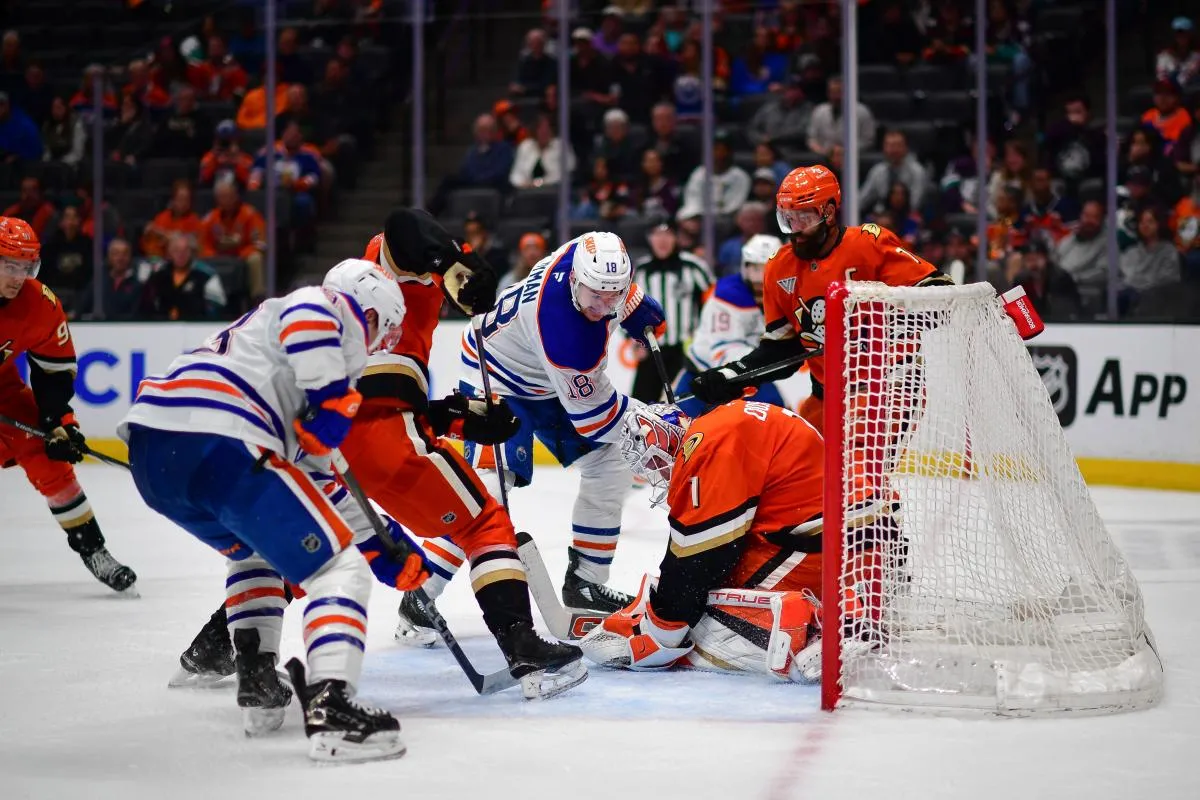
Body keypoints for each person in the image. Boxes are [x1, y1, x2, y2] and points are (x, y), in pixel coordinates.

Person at [171, 210, 589, 701]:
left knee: (317, 546)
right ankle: (522, 647)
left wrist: (460, 418)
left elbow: (386, 393)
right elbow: (403, 226)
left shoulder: (348, 314)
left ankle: (217, 644)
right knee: (482, 524)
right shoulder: (387, 274)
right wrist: (452, 259)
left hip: (329, 443)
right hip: (377, 437)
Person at [121, 258, 419, 762]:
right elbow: (312, 312)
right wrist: (331, 399)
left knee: (256, 553)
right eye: (384, 331)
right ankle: (335, 712)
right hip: (222, 436)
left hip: (153, 454)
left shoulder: (267, 355)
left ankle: (256, 681)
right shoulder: (322, 307)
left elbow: (326, 482)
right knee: (339, 570)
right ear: (370, 312)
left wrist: (383, 543)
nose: (379, 346)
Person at [450, 231, 666, 616]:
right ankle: (420, 596)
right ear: (574, 281)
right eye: (593, 295)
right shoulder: (567, 335)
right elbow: (595, 419)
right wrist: (652, 424)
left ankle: (586, 582)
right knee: (486, 495)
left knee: (609, 463)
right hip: (496, 375)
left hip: (542, 376)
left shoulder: (589, 250)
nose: (601, 306)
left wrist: (631, 302)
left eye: (611, 294)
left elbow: (612, 286)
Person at [578, 399, 826, 681]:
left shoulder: (706, 443)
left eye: (654, 459)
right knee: (700, 591)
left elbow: (698, 560)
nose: (657, 470)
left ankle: (816, 631)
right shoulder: (721, 421)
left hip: (822, 551)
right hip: (832, 537)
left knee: (701, 626)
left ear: (667, 435)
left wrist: (660, 626)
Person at [689, 165, 951, 430]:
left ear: (828, 212)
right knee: (795, 467)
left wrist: (888, 325)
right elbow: (782, 350)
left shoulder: (868, 244)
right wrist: (733, 374)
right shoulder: (779, 268)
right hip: (827, 398)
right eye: (787, 219)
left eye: (803, 219)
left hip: (886, 392)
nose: (795, 231)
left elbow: (940, 290)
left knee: (856, 471)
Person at [0, 217, 137, 593]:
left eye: (26, 267)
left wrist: (57, 421)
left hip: (3, 390)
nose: (19, 276)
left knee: (50, 457)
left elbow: (52, 373)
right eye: (10, 265)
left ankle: (94, 549)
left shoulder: (38, 305)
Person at [674, 234, 787, 419]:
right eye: (755, 269)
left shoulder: (782, 294)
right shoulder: (727, 295)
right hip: (705, 378)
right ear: (745, 267)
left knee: (780, 421)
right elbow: (722, 350)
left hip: (749, 374)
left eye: (767, 269)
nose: (760, 278)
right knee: (680, 431)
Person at [631, 217, 713, 403]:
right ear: (649, 238)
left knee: (689, 404)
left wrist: (705, 340)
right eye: (656, 234)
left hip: (686, 351)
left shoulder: (694, 267)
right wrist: (635, 341)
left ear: (676, 237)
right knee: (642, 408)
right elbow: (623, 310)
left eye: (667, 234)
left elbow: (713, 306)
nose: (662, 240)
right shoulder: (641, 271)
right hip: (652, 349)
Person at [197, 179, 266, 300]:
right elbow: (202, 243)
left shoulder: (250, 214)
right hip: (219, 256)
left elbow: (260, 243)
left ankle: (257, 298)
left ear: (236, 196)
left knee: (255, 258)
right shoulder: (211, 218)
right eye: (222, 197)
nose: (226, 200)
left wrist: (241, 254)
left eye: (229, 196)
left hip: (243, 255)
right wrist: (213, 254)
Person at [138, 233, 226, 321]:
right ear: (169, 253)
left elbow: (216, 308)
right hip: (160, 328)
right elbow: (145, 306)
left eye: (185, 250)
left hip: (197, 327)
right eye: (176, 250)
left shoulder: (207, 275)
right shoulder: (158, 275)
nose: (181, 254)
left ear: (192, 252)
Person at [859, 128, 929, 213]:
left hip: (907, 218)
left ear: (905, 148)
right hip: (881, 218)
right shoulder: (877, 171)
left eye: (898, 145)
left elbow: (915, 204)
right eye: (890, 146)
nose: (894, 150)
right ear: (884, 148)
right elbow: (861, 200)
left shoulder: (917, 172)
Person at [74, 237, 143, 321]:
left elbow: (137, 315)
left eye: (125, 254)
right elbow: (82, 309)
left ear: (130, 257)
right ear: (109, 256)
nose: (120, 258)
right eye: (116, 253)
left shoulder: (138, 284)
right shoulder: (97, 282)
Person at [806, 75, 876, 156]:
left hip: (854, 157)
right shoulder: (819, 111)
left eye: (839, 92)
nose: (835, 96)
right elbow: (812, 138)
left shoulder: (862, 111)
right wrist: (822, 151)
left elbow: (868, 140)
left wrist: (844, 151)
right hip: (824, 157)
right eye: (832, 92)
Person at [141, 180, 203, 259]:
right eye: (180, 199)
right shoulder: (161, 218)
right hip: (162, 260)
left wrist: (164, 234)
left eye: (187, 199)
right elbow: (152, 247)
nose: (183, 203)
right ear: (173, 200)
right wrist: (148, 235)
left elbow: (197, 247)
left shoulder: (195, 221)